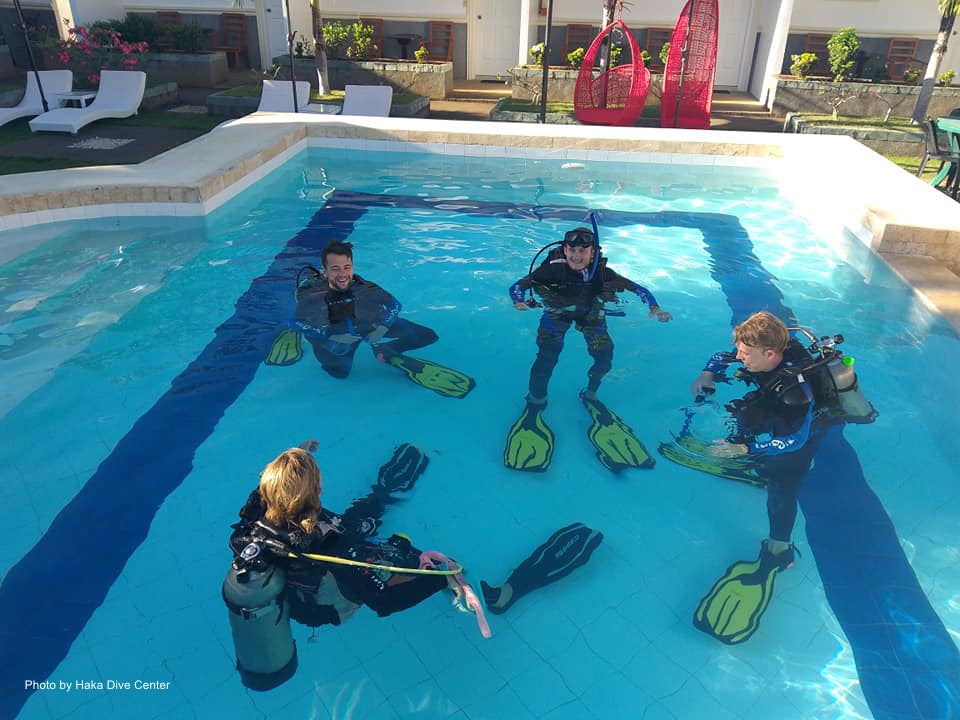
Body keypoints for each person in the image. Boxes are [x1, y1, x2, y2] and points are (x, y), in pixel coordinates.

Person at [687, 310, 876, 643]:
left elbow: (794, 439)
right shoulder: (762, 350)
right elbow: (722, 355)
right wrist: (708, 374)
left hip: (801, 431)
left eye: (745, 354)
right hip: (777, 411)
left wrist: (744, 450)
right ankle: (759, 467)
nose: (739, 357)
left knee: (782, 485)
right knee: (744, 415)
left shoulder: (794, 392)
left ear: (770, 354)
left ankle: (779, 552)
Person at [503, 224, 671, 472]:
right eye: (572, 249)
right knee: (547, 356)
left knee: (604, 356)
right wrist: (518, 301)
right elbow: (517, 286)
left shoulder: (603, 274)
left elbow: (639, 289)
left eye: (584, 250)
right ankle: (535, 403)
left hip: (590, 315)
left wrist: (654, 307)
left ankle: (590, 394)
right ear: (564, 249)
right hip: (556, 313)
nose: (577, 255)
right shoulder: (551, 270)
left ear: (593, 252)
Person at [266, 240, 475, 399]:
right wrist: (329, 335)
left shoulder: (364, 287)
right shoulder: (312, 298)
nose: (342, 274)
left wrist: (383, 328)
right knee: (339, 373)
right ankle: (294, 339)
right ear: (324, 272)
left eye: (347, 267)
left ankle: (386, 352)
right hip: (334, 336)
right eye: (335, 269)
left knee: (428, 336)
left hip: (368, 327)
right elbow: (295, 321)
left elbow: (395, 305)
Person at [481, 523, 603, 615]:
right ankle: (501, 595)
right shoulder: (585, 531)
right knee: (538, 562)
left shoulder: (588, 533)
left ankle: (501, 596)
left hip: (583, 537)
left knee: (544, 565)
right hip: (581, 535)